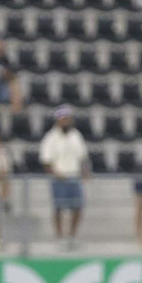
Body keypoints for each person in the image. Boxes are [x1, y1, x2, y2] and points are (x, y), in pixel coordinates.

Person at [39, 105, 89, 246]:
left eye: (68, 118)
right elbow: (46, 160)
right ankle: (59, 236)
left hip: (74, 176)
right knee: (58, 208)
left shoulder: (76, 135)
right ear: (58, 120)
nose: (66, 121)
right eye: (63, 119)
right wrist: (55, 173)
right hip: (59, 178)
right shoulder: (51, 137)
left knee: (77, 207)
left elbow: (82, 157)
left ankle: (72, 236)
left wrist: (85, 172)